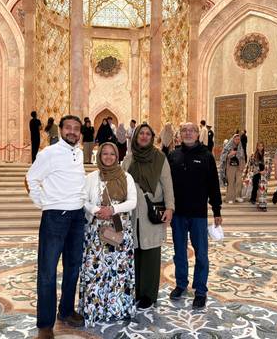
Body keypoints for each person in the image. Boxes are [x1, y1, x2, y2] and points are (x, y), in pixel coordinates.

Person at [26, 115, 86, 338]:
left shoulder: (78, 153)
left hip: (77, 217)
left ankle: (66, 310)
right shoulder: (48, 153)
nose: (72, 131)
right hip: (55, 218)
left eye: (76, 128)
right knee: (48, 271)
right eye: (68, 128)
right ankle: (44, 325)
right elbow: (30, 179)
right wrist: (45, 204)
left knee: (73, 267)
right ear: (60, 129)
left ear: (80, 132)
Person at [78, 142, 137, 327]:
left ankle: (118, 309)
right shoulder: (91, 177)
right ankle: (94, 310)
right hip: (96, 234)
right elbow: (83, 199)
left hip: (118, 233)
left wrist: (112, 209)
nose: (109, 157)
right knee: (95, 273)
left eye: (112, 154)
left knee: (117, 272)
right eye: (105, 153)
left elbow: (132, 201)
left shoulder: (125, 177)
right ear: (99, 155)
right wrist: (96, 209)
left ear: (117, 156)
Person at [168, 122, 222, 309]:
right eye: (184, 130)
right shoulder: (173, 155)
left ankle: (200, 290)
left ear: (198, 134)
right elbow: (166, 186)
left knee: (201, 254)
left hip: (199, 214)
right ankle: (181, 284)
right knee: (180, 253)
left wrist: (217, 210)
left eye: (192, 131)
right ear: (180, 134)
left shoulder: (206, 156)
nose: (188, 133)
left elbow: (214, 184)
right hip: (178, 215)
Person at [122, 124, 174, 310]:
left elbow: (167, 183)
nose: (144, 137)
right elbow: (121, 183)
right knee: (134, 253)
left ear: (152, 137)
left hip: (151, 213)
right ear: (135, 137)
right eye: (141, 134)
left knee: (151, 254)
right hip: (132, 213)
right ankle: (136, 291)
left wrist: (170, 208)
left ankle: (148, 295)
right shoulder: (129, 159)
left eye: (147, 134)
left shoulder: (159, 158)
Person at [243, 142, 273, 211]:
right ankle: (253, 199)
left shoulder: (266, 155)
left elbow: (270, 165)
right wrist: (247, 175)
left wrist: (266, 171)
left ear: (263, 147)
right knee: (255, 187)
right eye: (259, 146)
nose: (260, 147)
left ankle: (263, 205)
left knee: (263, 190)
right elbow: (249, 165)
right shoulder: (253, 155)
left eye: (262, 146)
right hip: (256, 174)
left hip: (263, 175)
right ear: (257, 147)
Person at [220, 134, 245, 203]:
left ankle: (237, 196)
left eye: (239, 139)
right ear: (233, 139)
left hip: (238, 167)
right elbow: (222, 157)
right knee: (231, 182)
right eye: (236, 139)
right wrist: (230, 154)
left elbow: (242, 157)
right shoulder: (228, 147)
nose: (237, 141)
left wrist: (242, 166)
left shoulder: (240, 147)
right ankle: (230, 198)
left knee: (239, 181)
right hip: (230, 167)